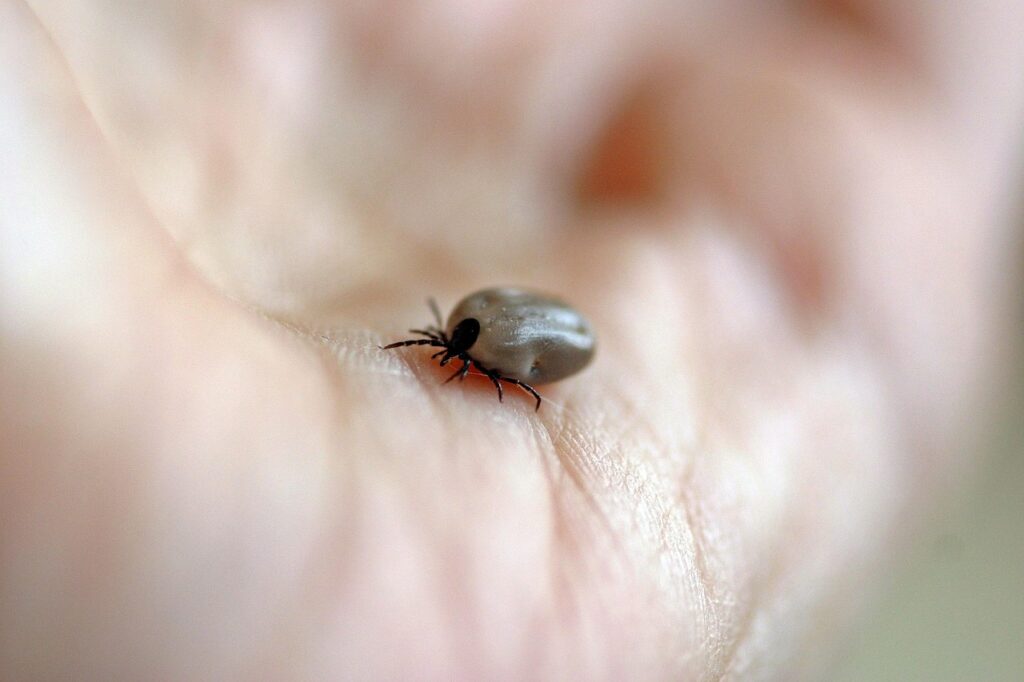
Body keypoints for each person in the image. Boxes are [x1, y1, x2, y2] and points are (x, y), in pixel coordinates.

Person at [2, 0, 1022, 678]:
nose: (450, 364)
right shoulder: (480, 339)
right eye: (456, 355)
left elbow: (515, 350)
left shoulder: (485, 337)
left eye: (455, 357)